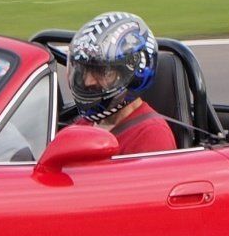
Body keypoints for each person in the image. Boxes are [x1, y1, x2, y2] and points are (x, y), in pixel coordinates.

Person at [67, 11, 176, 155]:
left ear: (132, 73)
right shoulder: (83, 125)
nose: (88, 81)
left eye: (103, 73)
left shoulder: (152, 136)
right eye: (85, 70)